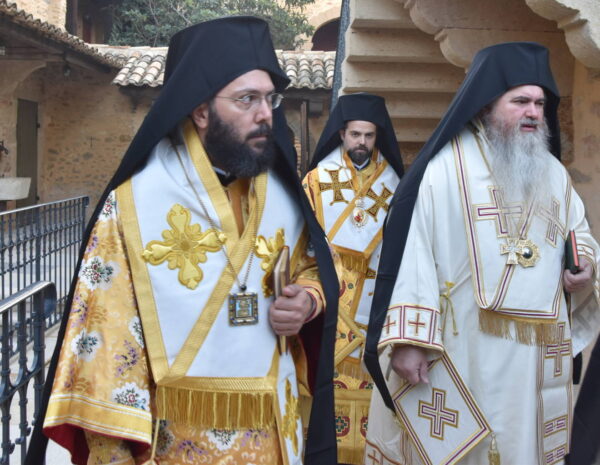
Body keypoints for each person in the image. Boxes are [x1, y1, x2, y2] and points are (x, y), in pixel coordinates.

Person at [25, 17, 339, 465]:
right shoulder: (134, 206)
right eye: (246, 99)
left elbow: (313, 264)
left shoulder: (282, 193)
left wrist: (307, 300)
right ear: (201, 111)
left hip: (277, 436)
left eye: (270, 98)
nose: (265, 114)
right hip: (177, 445)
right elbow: (108, 342)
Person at [363, 42, 600, 465]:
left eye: (540, 104)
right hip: (466, 345)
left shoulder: (553, 173)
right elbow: (414, 254)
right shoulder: (445, 168)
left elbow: (577, 232)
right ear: (488, 104)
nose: (533, 113)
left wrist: (583, 266)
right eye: (520, 102)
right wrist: (410, 341)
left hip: (535, 356)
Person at [302, 93, 403, 464]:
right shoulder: (316, 180)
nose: (362, 142)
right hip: (331, 290)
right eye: (355, 134)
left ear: (377, 137)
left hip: (375, 291)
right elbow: (302, 236)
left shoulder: (395, 184)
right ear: (342, 134)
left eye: (369, 136)